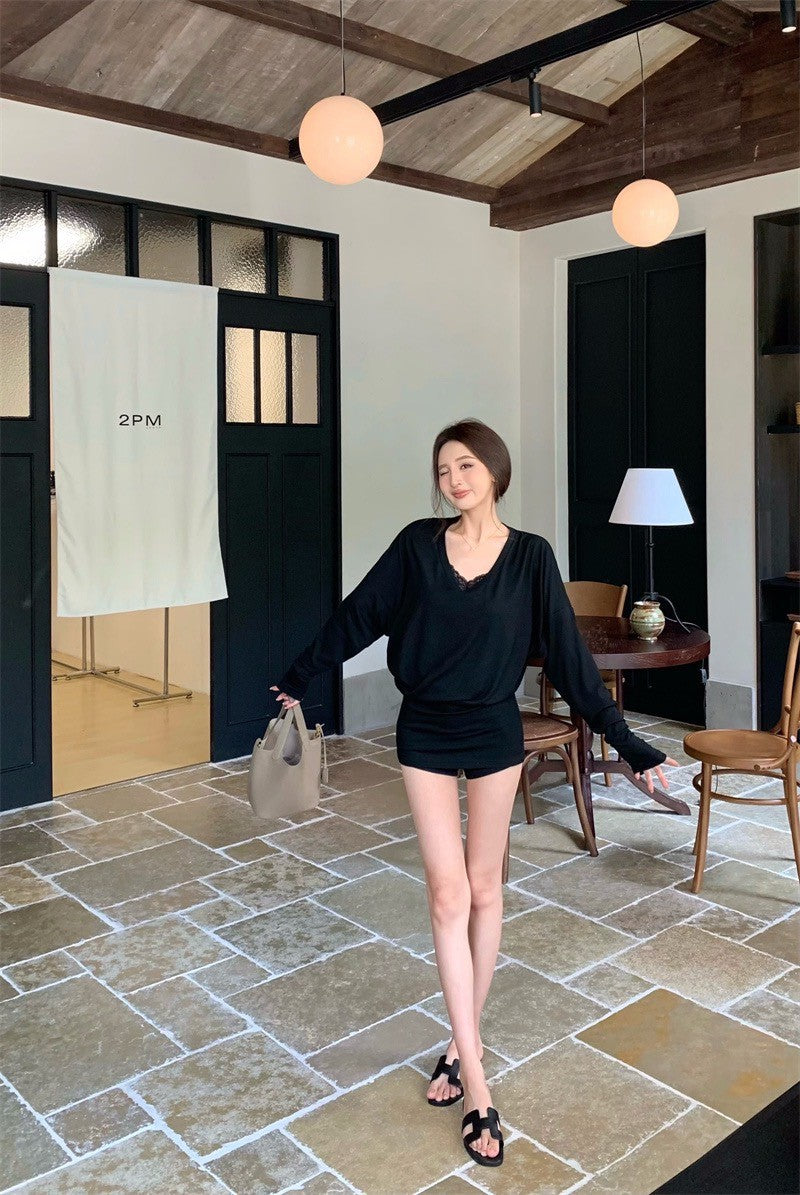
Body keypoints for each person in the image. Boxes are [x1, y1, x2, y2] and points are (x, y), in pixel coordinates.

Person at [271, 418, 678, 1167]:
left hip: (493, 729)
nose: (453, 480)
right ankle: (479, 1083)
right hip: (425, 728)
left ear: (495, 470)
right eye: (443, 470)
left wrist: (629, 742)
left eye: (465, 465)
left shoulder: (530, 557)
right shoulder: (416, 547)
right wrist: (301, 674)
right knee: (446, 896)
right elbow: (359, 615)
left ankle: (459, 1049)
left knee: (486, 890)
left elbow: (571, 662)